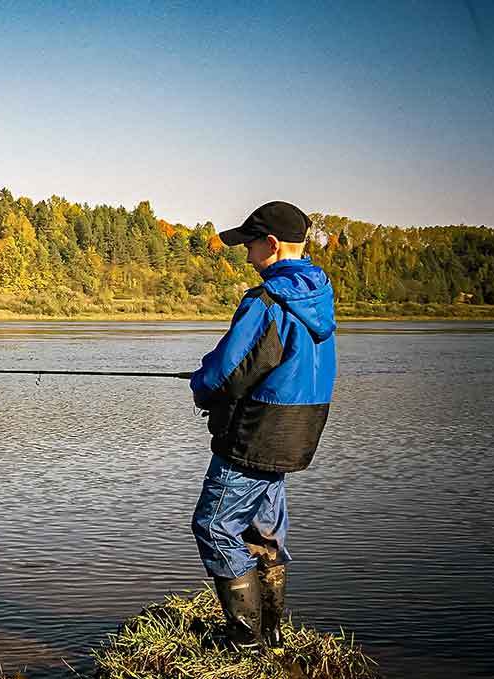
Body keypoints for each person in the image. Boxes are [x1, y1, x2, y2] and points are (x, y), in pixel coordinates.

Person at [189, 201, 337, 650]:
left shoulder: (267, 300)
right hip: (298, 429)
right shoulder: (318, 296)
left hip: (256, 431)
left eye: (250, 246)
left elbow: (229, 371)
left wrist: (200, 383)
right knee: (262, 531)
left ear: (271, 245)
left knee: (213, 527)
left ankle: (245, 638)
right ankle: (271, 632)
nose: (247, 256)